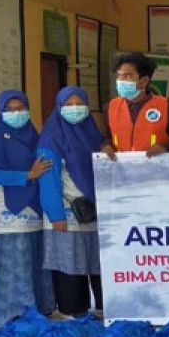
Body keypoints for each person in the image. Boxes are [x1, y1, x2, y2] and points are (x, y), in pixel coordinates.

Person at [0, 90, 56, 325]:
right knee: (11, 262)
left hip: (33, 206)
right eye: (10, 109)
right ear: (0, 112)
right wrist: (28, 175)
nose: (16, 113)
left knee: (33, 259)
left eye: (21, 108)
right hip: (6, 210)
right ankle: (8, 314)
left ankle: (39, 309)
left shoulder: (34, 136)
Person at [38, 87, 111, 316]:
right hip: (66, 212)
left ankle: (104, 307)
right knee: (70, 263)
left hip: (94, 209)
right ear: (59, 108)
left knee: (99, 261)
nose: (75, 108)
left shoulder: (93, 135)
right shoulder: (51, 139)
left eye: (79, 103)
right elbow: (48, 181)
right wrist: (56, 215)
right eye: (68, 104)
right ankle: (73, 311)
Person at [103, 51, 169, 155]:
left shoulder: (167, 107)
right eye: (118, 76)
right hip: (122, 169)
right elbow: (107, 137)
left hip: (156, 168)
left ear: (144, 81)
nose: (120, 81)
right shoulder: (110, 107)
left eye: (127, 76)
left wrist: (166, 148)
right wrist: (106, 146)